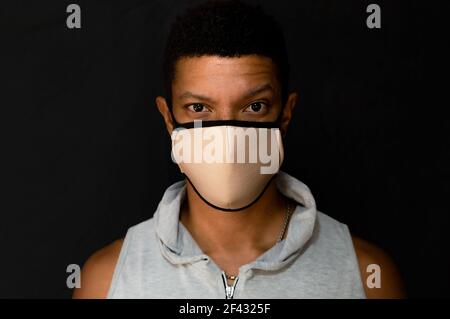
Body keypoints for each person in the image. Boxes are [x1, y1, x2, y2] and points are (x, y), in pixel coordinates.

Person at [73, 0, 405, 299]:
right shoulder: (107, 280)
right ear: (168, 118)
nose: (228, 136)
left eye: (254, 106)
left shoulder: (365, 276)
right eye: (199, 108)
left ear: (285, 115)